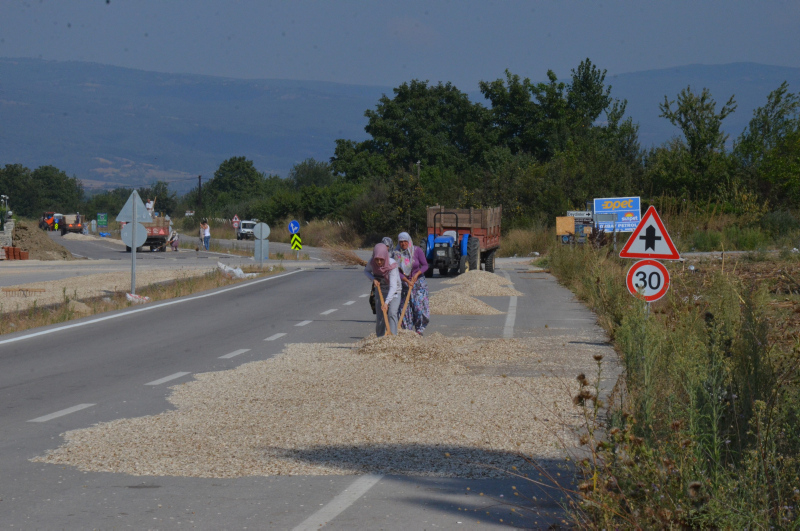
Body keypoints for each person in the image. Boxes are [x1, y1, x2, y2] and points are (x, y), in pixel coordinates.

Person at [395, 232, 430, 336]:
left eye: (405, 241)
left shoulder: (417, 250)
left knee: (419, 309)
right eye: (401, 242)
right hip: (405, 285)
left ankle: (419, 330)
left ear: (409, 241)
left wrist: (417, 274)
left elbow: (425, 265)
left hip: (418, 284)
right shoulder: (397, 254)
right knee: (404, 311)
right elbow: (396, 271)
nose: (403, 243)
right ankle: (408, 332)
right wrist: (406, 280)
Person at [364, 242, 401, 337]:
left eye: (381, 259)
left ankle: (393, 337)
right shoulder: (372, 262)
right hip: (380, 291)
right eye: (377, 259)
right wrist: (373, 279)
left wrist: (386, 302)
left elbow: (393, 286)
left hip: (394, 292)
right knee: (380, 316)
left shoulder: (391, 264)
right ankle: (380, 338)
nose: (379, 262)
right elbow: (366, 271)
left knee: (391, 313)